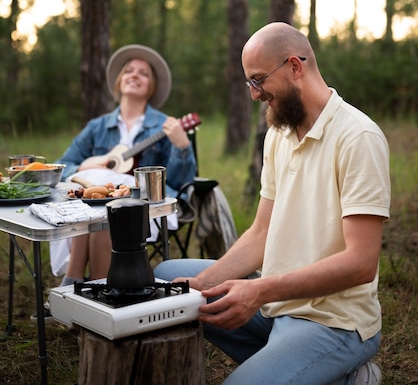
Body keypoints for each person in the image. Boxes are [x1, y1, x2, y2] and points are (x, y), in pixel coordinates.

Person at [155, 22, 390, 385]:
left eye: (258, 80)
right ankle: (316, 372)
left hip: (335, 322)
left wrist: (259, 290)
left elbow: (361, 264)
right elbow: (262, 232)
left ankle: (346, 374)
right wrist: (203, 283)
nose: (254, 94)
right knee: (168, 283)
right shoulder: (278, 135)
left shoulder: (358, 137)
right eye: (250, 83)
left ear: (295, 67)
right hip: (278, 302)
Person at [46, 44, 196, 299]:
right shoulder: (98, 127)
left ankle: (79, 286)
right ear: (119, 80)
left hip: (143, 206)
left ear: (152, 86)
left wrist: (182, 146)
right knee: (99, 204)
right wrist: (87, 166)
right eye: (129, 70)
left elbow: (179, 183)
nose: (134, 75)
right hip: (94, 205)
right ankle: (96, 291)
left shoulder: (165, 126)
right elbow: (60, 168)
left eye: (143, 73)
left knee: (111, 212)